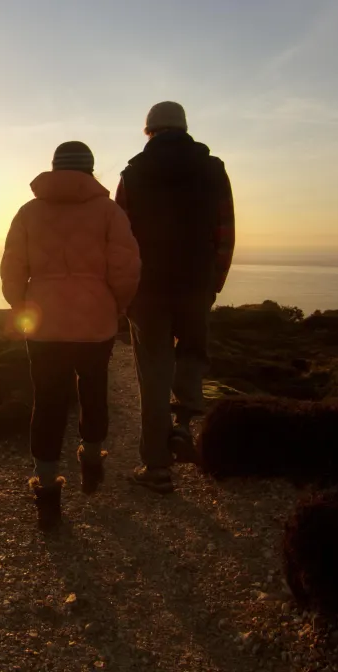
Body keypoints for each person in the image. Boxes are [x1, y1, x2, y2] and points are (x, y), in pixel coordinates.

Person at [1, 141, 141, 529]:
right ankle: (92, 459)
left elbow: (12, 267)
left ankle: (46, 489)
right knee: (94, 390)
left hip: (44, 323)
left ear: (54, 168)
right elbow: (126, 267)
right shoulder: (109, 211)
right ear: (91, 170)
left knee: (47, 402)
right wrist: (118, 305)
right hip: (95, 320)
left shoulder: (29, 212)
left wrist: (20, 302)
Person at [115, 101, 235, 494]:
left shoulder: (132, 175)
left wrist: (123, 290)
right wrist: (214, 281)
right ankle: (183, 423)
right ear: (184, 128)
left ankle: (156, 468)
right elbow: (225, 229)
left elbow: (120, 241)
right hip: (196, 282)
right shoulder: (213, 170)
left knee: (153, 374)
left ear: (149, 131)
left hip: (147, 289)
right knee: (193, 355)